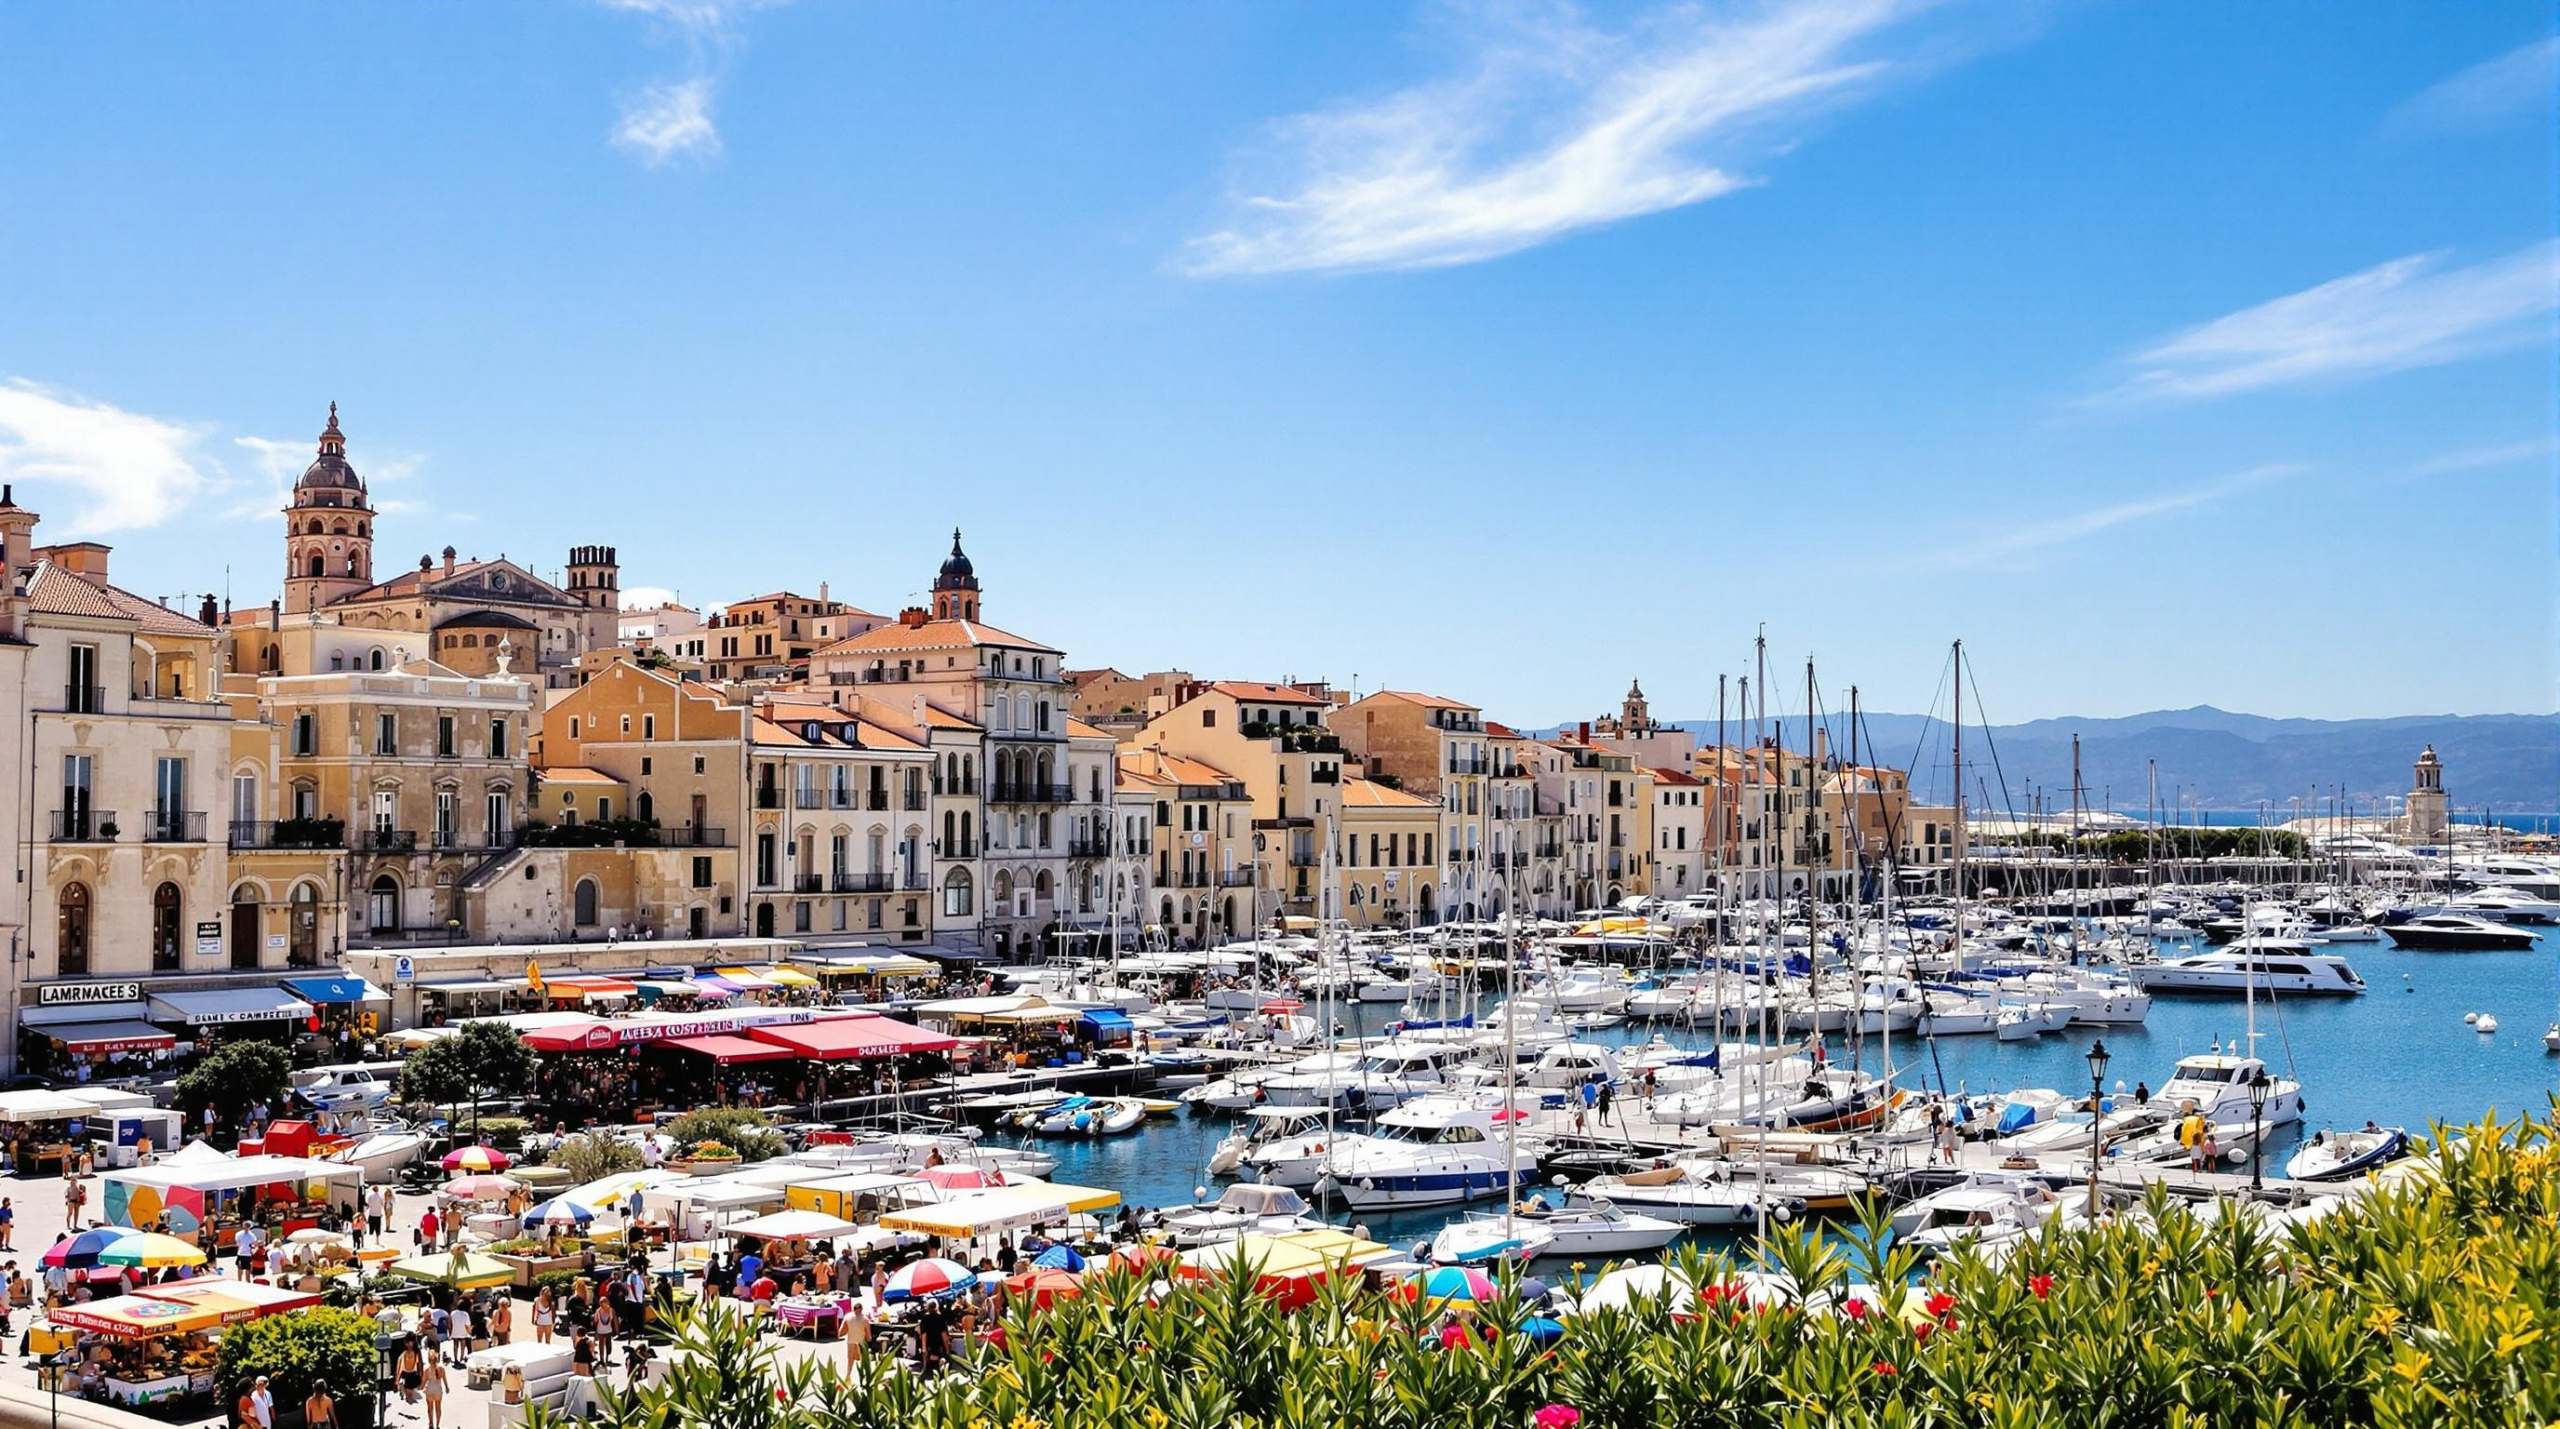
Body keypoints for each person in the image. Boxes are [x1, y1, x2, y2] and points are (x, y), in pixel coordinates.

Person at [420, 1349, 447, 1429]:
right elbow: (444, 1379)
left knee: (430, 1409)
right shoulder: (441, 1368)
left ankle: (431, 1423)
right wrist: (447, 1387)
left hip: (429, 1390)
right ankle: (437, 1425)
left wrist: (419, 1387)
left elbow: (423, 1384)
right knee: (438, 1408)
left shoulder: (426, 1369)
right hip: (438, 1390)